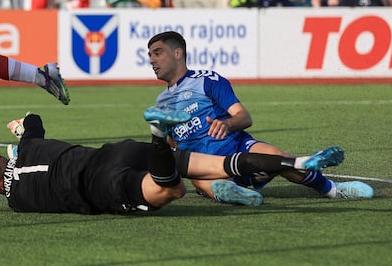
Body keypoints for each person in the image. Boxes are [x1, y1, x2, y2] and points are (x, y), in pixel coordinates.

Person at [144, 31, 373, 206]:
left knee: (278, 157)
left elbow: (244, 117)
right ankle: (239, 194)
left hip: (237, 149)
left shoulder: (207, 80)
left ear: (177, 53)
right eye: (150, 55)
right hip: (207, 166)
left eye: (157, 53)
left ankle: (332, 189)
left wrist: (226, 124)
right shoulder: (161, 103)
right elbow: (172, 147)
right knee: (205, 181)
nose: (152, 60)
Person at [0, 113, 346, 214]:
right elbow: (34, 120)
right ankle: (294, 161)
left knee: (173, 190)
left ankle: (158, 138)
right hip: (110, 152)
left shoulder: (15, 201)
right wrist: (21, 129)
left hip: (97, 187)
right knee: (213, 163)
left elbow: (14, 179)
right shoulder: (32, 147)